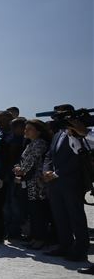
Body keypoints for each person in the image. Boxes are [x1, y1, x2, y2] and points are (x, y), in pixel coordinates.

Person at [42, 109, 93, 263]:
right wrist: (46, 170)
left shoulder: (80, 133)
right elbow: (50, 155)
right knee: (60, 216)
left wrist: (57, 173)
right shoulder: (58, 134)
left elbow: (80, 157)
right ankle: (65, 245)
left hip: (71, 181)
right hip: (54, 182)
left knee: (76, 216)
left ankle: (80, 250)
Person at [13, 119, 50, 250]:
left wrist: (20, 170)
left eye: (29, 129)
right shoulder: (30, 144)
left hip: (36, 184)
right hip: (27, 182)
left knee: (38, 212)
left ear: (38, 131)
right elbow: (21, 161)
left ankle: (40, 238)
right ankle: (34, 236)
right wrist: (17, 168)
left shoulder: (40, 143)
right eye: (25, 128)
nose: (26, 131)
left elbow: (30, 162)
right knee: (31, 212)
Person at [3, 117, 27, 240]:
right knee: (7, 204)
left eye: (14, 127)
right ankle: (8, 229)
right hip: (8, 175)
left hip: (18, 176)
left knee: (16, 204)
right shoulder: (10, 138)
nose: (11, 129)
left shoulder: (25, 141)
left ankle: (15, 231)